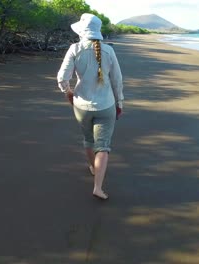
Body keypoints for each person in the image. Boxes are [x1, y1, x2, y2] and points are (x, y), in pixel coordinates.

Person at [57, 13, 124, 200]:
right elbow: (117, 80)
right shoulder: (109, 51)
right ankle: (98, 188)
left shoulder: (74, 49)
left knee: (88, 140)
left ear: (82, 32)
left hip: (81, 105)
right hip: (106, 104)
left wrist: (68, 92)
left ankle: (93, 168)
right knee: (103, 147)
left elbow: (62, 77)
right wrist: (119, 103)